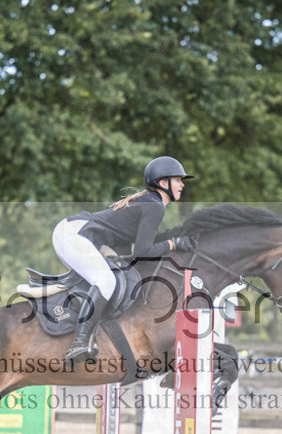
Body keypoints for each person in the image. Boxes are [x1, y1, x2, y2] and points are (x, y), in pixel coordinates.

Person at [52, 155, 195, 365]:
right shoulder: (154, 205)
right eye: (178, 180)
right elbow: (143, 251)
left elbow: (131, 249)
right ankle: (79, 343)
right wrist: (173, 244)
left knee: (108, 280)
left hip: (73, 233)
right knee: (106, 281)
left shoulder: (152, 203)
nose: (182, 185)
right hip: (74, 235)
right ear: (163, 183)